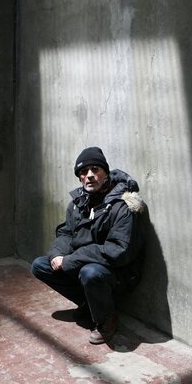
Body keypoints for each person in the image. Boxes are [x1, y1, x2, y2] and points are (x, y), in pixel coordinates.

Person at [31, 147, 145, 344]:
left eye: (95, 169)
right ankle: (89, 303)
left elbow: (118, 251)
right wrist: (57, 255)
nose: (90, 175)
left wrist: (70, 260)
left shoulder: (123, 206)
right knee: (40, 265)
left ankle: (106, 318)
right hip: (85, 263)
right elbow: (66, 233)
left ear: (106, 173)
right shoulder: (79, 202)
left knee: (90, 272)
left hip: (117, 272)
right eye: (84, 172)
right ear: (80, 178)